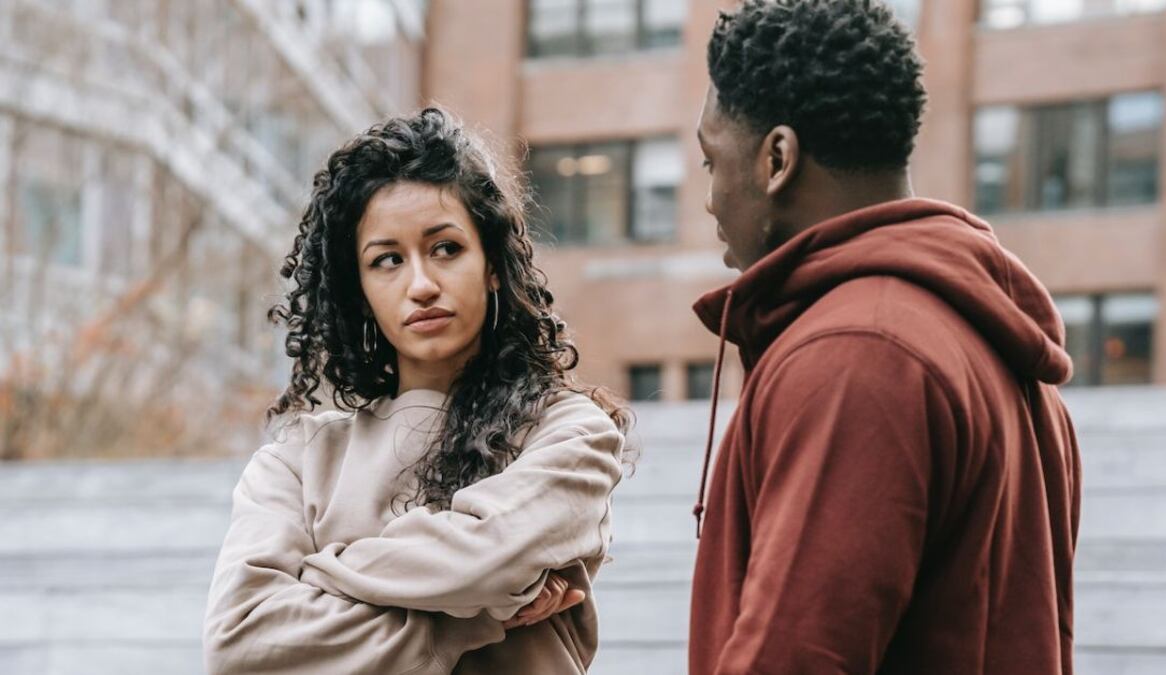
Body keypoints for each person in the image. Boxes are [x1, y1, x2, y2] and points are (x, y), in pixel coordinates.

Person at [688, 1, 1081, 673]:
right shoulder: (987, 346)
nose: (709, 198)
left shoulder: (858, 353)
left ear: (776, 158)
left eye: (709, 162)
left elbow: (796, 655)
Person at [202, 108, 631, 674]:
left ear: (493, 265)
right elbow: (241, 645)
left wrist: (322, 574)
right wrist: (474, 616)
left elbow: (487, 559)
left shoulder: (569, 435)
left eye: (446, 249)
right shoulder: (296, 461)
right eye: (387, 261)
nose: (422, 285)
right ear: (359, 290)